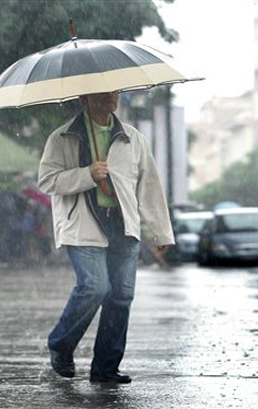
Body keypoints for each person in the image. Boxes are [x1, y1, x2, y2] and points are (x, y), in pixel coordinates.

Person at [37, 91, 174, 384]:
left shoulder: (131, 138)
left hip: (123, 225)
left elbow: (148, 184)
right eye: (103, 93)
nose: (111, 97)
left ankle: (106, 368)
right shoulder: (62, 137)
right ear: (86, 97)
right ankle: (61, 344)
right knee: (95, 287)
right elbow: (48, 180)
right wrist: (86, 174)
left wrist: (159, 230)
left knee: (121, 296)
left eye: (115, 92)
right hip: (83, 225)